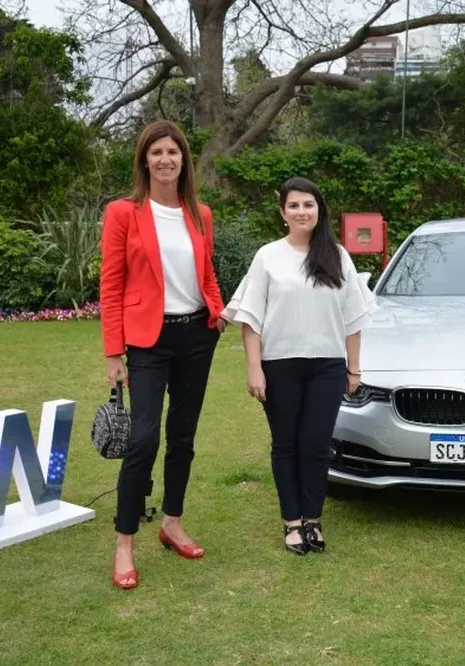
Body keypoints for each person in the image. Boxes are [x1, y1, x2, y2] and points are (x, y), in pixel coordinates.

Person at [99, 120, 226, 590]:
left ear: (183, 160)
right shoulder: (123, 213)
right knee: (142, 439)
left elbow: (205, 271)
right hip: (146, 341)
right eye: (157, 152)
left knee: (184, 436)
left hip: (196, 335)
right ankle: (125, 541)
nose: (165, 159)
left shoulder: (200, 214)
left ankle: (172, 522)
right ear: (144, 160)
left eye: (173, 152)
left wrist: (217, 309)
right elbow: (111, 284)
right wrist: (114, 351)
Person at [222, 176, 374, 555]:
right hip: (279, 366)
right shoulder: (268, 256)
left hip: (327, 366)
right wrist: (254, 368)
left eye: (308, 204)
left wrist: (353, 370)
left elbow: (354, 318)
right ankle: (292, 521)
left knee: (318, 444)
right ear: (283, 213)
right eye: (294, 205)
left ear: (319, 210)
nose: (302, 211)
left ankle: (313, 520)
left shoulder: (337, 256)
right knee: (286, 444)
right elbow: (250, 317)